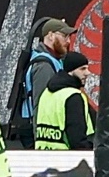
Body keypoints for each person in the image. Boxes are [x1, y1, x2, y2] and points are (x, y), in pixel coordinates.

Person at [13, 17, 72, 146]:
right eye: (64, 36)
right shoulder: (44, 65)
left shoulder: (51, 60)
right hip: (38, 134)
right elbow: (40, 104)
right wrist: (40, 140)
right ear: (50, 35)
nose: (68, 41)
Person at [33, 52, 96, 149]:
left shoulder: (47, 92)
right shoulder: (73, 96)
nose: (88, 73)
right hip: (66, 159)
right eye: (82, 69)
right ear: (70, 71)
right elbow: (77, 140)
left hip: (43, 155)